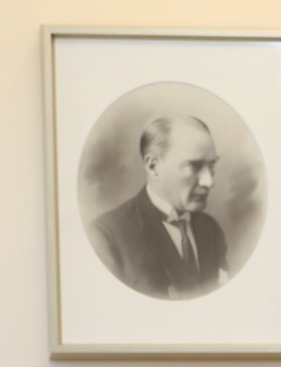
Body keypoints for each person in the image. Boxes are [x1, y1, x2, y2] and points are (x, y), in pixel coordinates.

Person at [90, 115, 229, 299]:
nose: (209, 181)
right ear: (153, 166)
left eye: (211, 166)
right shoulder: (106, 235)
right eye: (194, 166)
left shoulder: (210, 229)